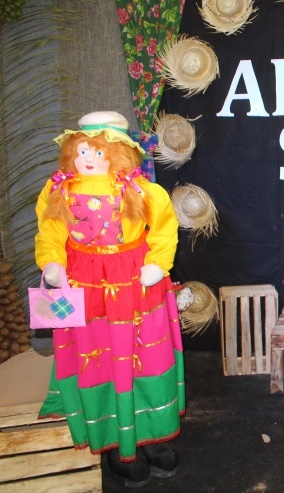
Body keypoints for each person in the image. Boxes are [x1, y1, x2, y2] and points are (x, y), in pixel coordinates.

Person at [34, 111, 183, 488]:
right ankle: (115, 441)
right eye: (82, 150)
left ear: (118, 153)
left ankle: (152, 433)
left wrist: (157, 263)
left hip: (135, 282)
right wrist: (52, 263)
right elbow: (49, 231)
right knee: (98, 358)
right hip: (83, 285)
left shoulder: (142, 190)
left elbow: (164, 229)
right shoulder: (59, 190)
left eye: (98, 151)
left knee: (145, 355)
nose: (88, 158)